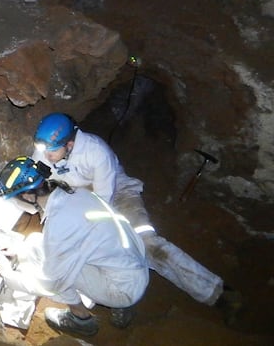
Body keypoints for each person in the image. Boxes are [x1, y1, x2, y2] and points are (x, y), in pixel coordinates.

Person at [29, 112, 242, 322]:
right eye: (43, 149)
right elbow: (40, 189)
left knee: (147, 245)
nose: (46, 156)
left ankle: (218, 294)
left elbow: (101, 205)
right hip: (76, 200)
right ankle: (118, 293)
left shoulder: (96, 152)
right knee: (83, 248)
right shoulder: (44, 152)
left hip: (116, 195)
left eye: (52, 150)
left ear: (70, 145)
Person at [0, 156, 148, 337]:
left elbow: (51, 282)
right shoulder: (73, 193)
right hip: (133, 264)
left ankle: (81, 319)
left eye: (13, 199)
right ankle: (121, 304)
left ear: (27, 195)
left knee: (61, 273)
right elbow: (62, 240)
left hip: (123, 288)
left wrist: (9, 275)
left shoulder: (59, 223)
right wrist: (21, 251)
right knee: (35, 241)